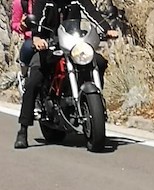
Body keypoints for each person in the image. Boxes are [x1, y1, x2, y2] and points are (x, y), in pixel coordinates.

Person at [14, 0, 119, 149]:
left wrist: (106, 29)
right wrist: (37, 37)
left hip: (73, 46)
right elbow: (38, 17)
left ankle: (94, 103)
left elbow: (90, 12)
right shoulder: (45, 1)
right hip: (49, 45)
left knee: (99, 62)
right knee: (34, 80)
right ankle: (22, 130)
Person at [10, 0, 36, 72]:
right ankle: (24, 72)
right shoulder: (20, 3)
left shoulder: (47, 3)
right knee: (27, 48)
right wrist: (21, 26)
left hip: (46, 36)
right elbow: (14, 24)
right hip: (28, 38)